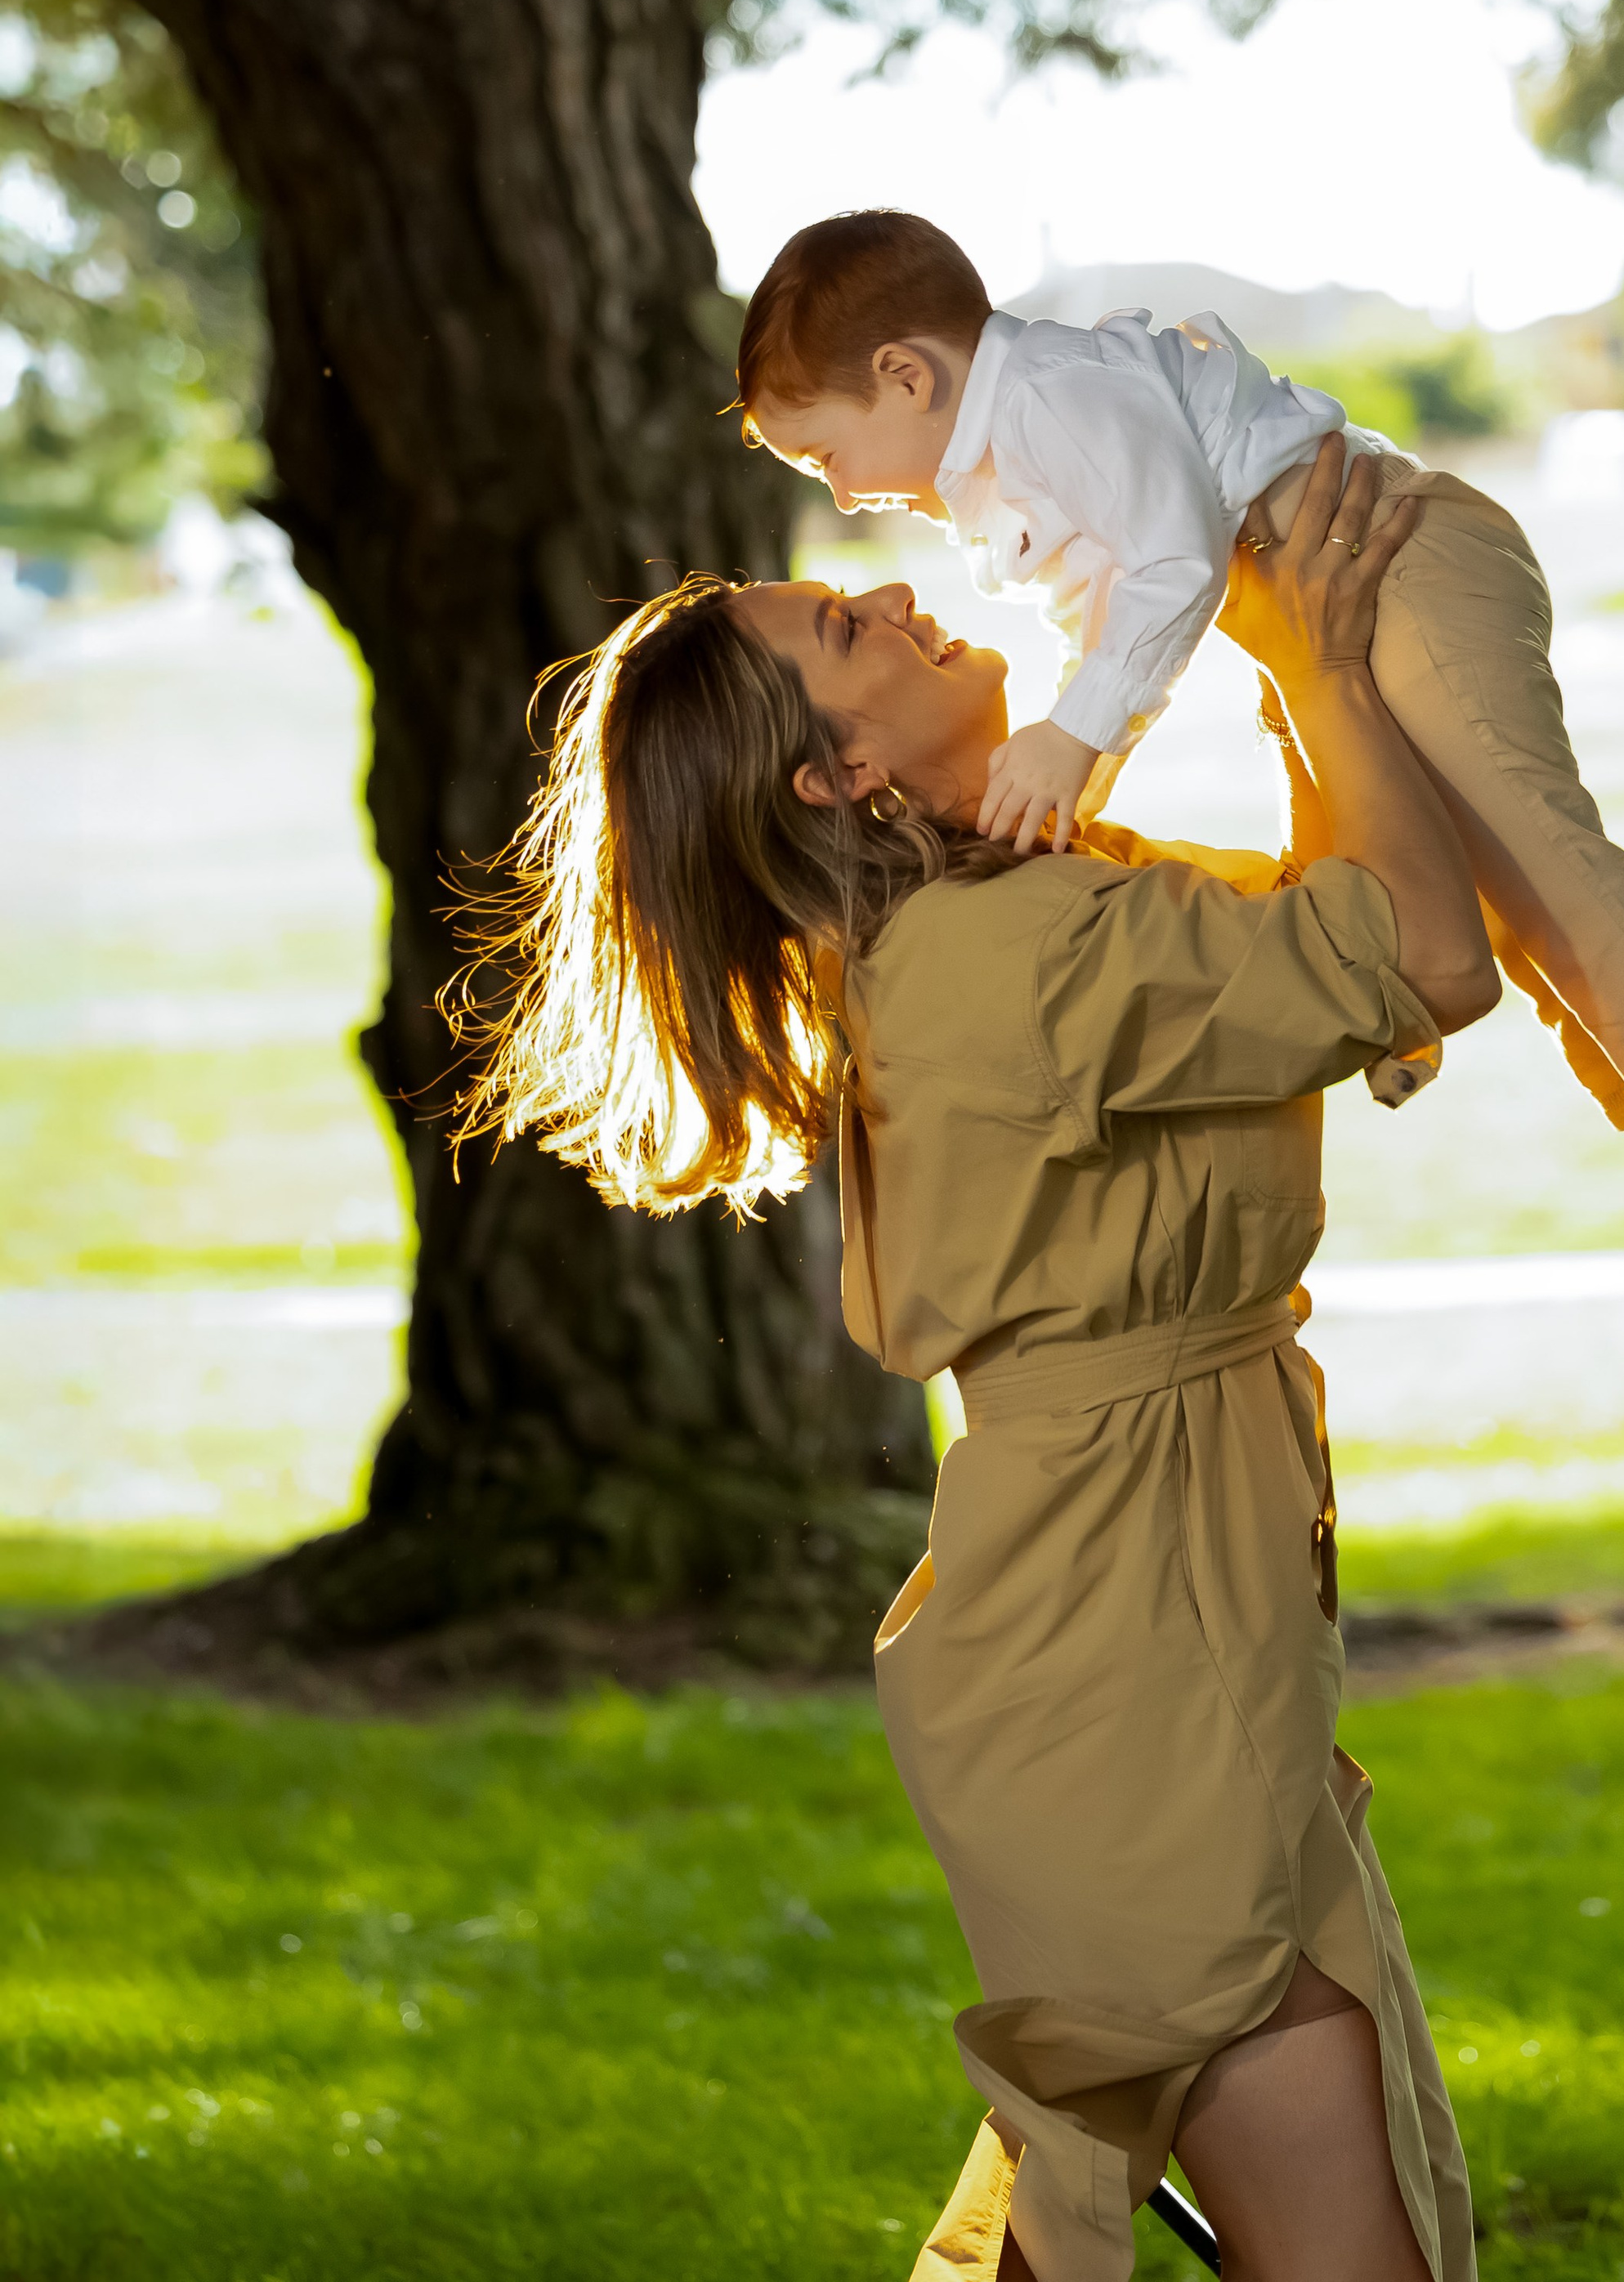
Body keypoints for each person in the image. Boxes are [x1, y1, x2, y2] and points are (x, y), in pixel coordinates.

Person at [461, 438, 1499, 2281]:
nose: (901, 594)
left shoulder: (1006, 910)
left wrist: (1290, 665)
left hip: (1136, 1610)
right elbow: (1419, 955)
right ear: (838, 772)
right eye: (849, 630)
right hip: (1131, 1636)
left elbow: (1327, 923)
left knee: (1114, 2177)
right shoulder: (999, 954)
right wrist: (1319, 664)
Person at [734, 208, 1624, 1319]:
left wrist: (1075, 738)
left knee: (1529, 847)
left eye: (826, 456)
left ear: (905, 376)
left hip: (1401, 559)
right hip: (1342, 604)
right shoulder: (1014, 452)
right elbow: (1104, 626)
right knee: (1486, 893)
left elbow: (1176, 566)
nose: (839, 493)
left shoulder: (1053, 399)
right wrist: (1075, 774)